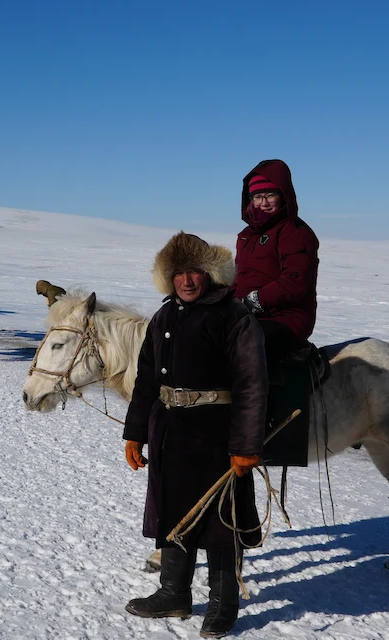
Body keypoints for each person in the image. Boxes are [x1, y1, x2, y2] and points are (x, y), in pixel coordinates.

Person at [123, 232, 267, 638]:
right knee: (172, 512)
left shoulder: (233, 316)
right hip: (170, 431)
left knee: (222, 520)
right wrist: (135, 434)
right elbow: (146, 380)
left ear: (211, 274)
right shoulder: (164, 316)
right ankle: (173, 593)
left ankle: (224, 605)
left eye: (195, 271)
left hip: (217, 435)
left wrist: (245, 447)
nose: (186, 280)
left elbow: (252, 385)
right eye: (178, 273)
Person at [233, 159, 319, 367]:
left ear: (283, 195)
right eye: (257, 196)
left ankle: (254, 399)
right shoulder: (246, 236)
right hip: (247, 316)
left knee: (240, 346)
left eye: (270, 195)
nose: (263, 203)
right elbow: (239, 277)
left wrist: (254, 301)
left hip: (286, 319)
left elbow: (295, 280)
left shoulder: (295, 232)